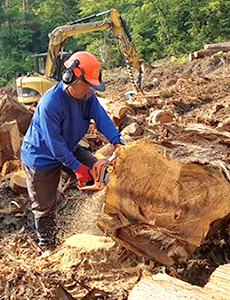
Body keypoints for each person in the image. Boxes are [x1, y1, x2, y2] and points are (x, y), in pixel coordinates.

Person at [21, 51, 123, 250]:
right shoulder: (50, 103)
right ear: (69, 77)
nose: (88, 90)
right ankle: (47, 247)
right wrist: (77, 168)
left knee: (99, 172)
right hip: (41, 157)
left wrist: (116, 141)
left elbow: (101, 118)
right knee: (44, 205)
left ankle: (105, 224)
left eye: (90, 86)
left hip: (68, 146)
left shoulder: (87, 97)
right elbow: (54, 145)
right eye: (85, 84)